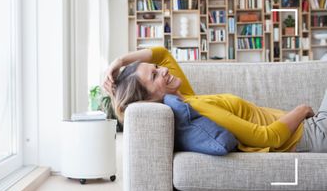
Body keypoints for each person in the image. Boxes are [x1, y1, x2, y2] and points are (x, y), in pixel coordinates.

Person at [103, 46, 327, 153]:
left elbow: (162, 53)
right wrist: (303, 109)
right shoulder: (196, 107)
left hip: (309, 130)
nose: (163, 70)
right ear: (149, 99)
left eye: (157, 69)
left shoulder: (184, 96)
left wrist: (119, 60)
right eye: (154, 75)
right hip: (310, 136)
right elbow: (270, 137)